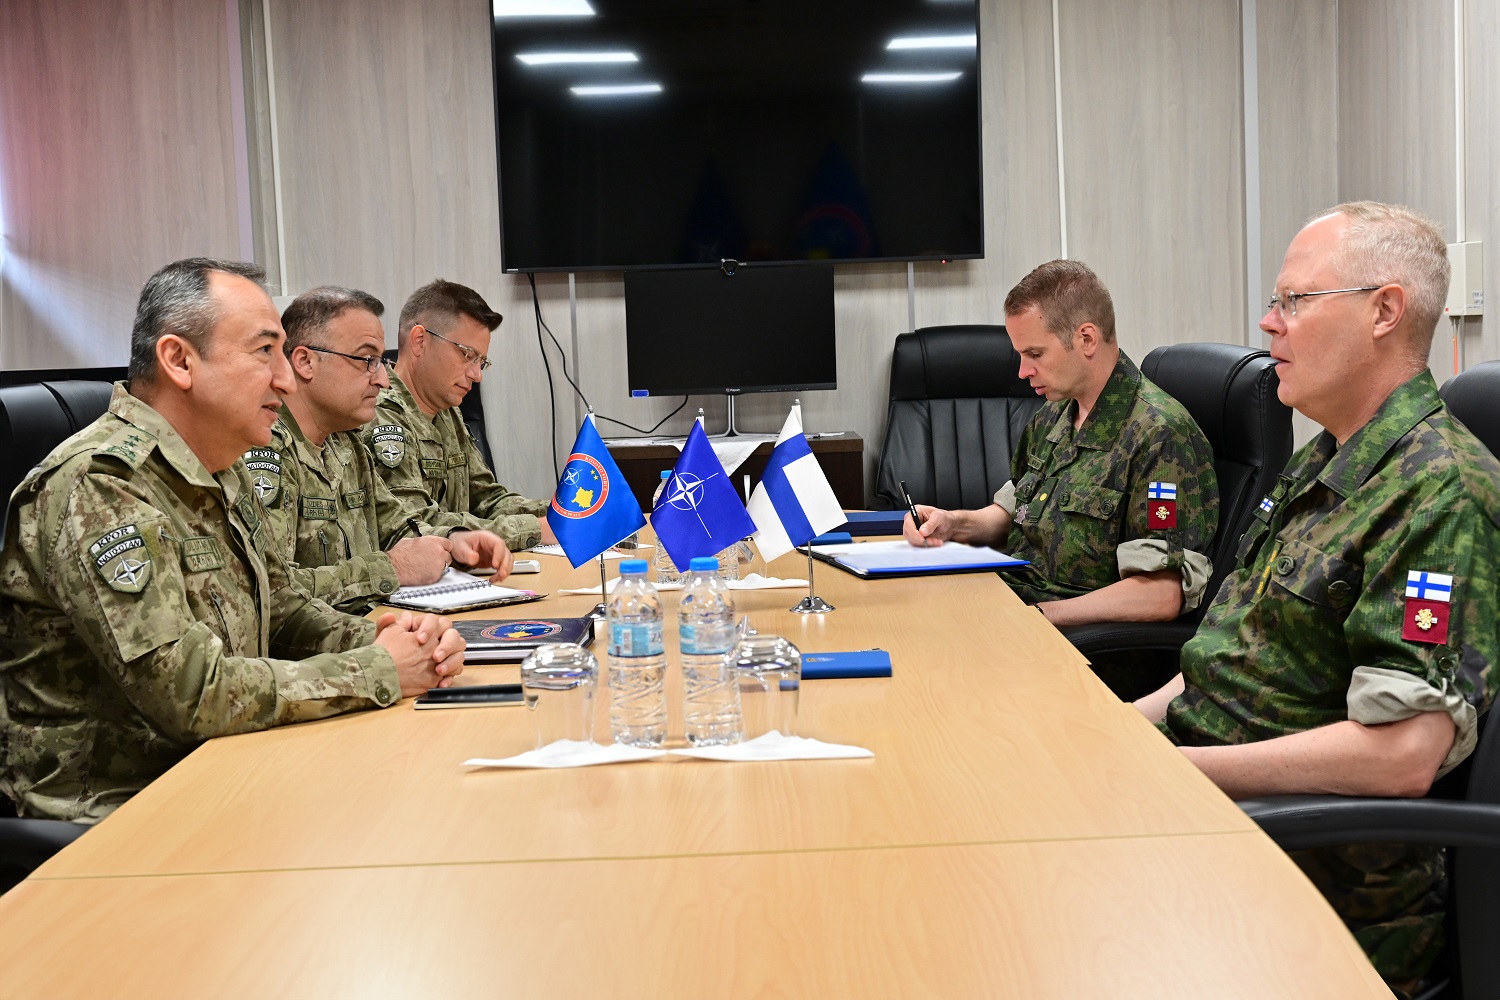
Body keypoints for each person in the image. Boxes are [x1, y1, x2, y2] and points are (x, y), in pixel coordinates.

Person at [1136, 202, 1500, 997]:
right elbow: (1225, 659)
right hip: (1217, 823)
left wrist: (1177, 773)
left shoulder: (1438, 491)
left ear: (1384, 311)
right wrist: (1122, 731)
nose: (1269, 324)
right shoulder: (1324, 460)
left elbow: (1403, 754)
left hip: (1312, 889)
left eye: (1295, 301)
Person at [0, 258, 467, 824]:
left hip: (228, 770)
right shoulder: (100, 486)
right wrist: (376, 670)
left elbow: (282, 610)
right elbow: (190, 693)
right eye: (264, 351)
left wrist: (388, 637)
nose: (287, 379)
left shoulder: (222, 467)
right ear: (179, 360)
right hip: (120, 814)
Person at [903, 260, 1218, 629]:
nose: (1023, 371)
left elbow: (1160, 593)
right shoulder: (1055, 414)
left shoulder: (1160, 436)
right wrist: (953, 523)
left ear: (1086, 339)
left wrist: (1036, 617)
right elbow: (1017, 511)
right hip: (1012, 602)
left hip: (1073, 638)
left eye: (1035, 354)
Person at [253, 286, 514, 614]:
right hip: (337, 641)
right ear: (305, 361)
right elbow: (270, 593)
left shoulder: (345, 442)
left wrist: (455, 540)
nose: (383, 380)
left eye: (379, 362)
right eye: (367, 361)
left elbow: (396, 526)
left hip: (373, 627)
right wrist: (390, 569)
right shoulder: (265, 450)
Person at [365, 279, 552, 549]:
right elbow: (417, 525)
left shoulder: (447, 412)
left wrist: (561, 514)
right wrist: (535, 529)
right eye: (467, 355)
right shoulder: (381, 416)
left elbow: (487, 499)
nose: (476, 375)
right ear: (419, 341)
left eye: (481, 362)